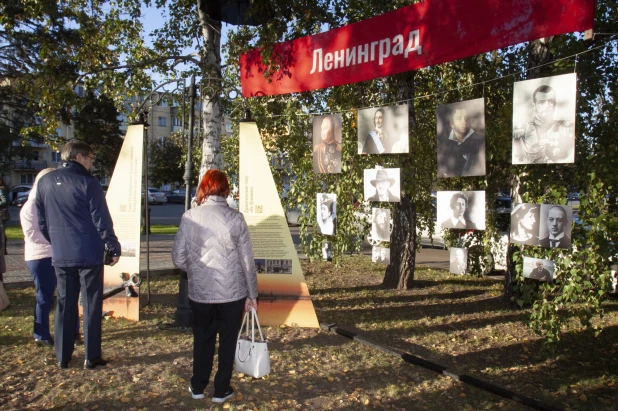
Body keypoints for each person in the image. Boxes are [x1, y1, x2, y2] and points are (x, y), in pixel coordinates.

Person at [171, 169, 258, 404]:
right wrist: (252, 295)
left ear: (203, 189)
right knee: (228, 341)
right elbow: (247, 262)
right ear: (225, 189)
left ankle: (198, 386)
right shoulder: (236, 218)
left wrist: (198, 271)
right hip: (232, 293)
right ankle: (221, 390)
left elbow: (178, 259)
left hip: (201, 293)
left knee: (202, 339)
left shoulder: (189, 217)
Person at [36, 140, 120, 370]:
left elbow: (41, 219)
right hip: (89, 252)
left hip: (62, 252)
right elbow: (101, 218)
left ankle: (63, 356)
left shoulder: (45, 182)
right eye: (91, 158)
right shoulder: (88, 182)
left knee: (65, 303)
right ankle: (91, 356)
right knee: (91, 304)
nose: (92, 163)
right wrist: (112, 245)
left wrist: (56, 240)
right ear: (80, 157)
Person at [513, 85, 574, 164]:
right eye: (541, 102)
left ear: (555, 105)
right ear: (534, 106)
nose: (547, 106)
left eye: (551, 102)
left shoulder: (565, 127)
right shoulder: (522, 131)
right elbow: (518, 157)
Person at [437, 107, 486, 177]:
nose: (464, 122)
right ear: (452, 123)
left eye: (466, 118)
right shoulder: (443, 146)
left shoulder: (479, 141)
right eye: (459, 118)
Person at [0, 177, 9, 255]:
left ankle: (3, 250)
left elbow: (5, 201)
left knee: (2, 232)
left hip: (2, 214)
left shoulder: (1, 189)